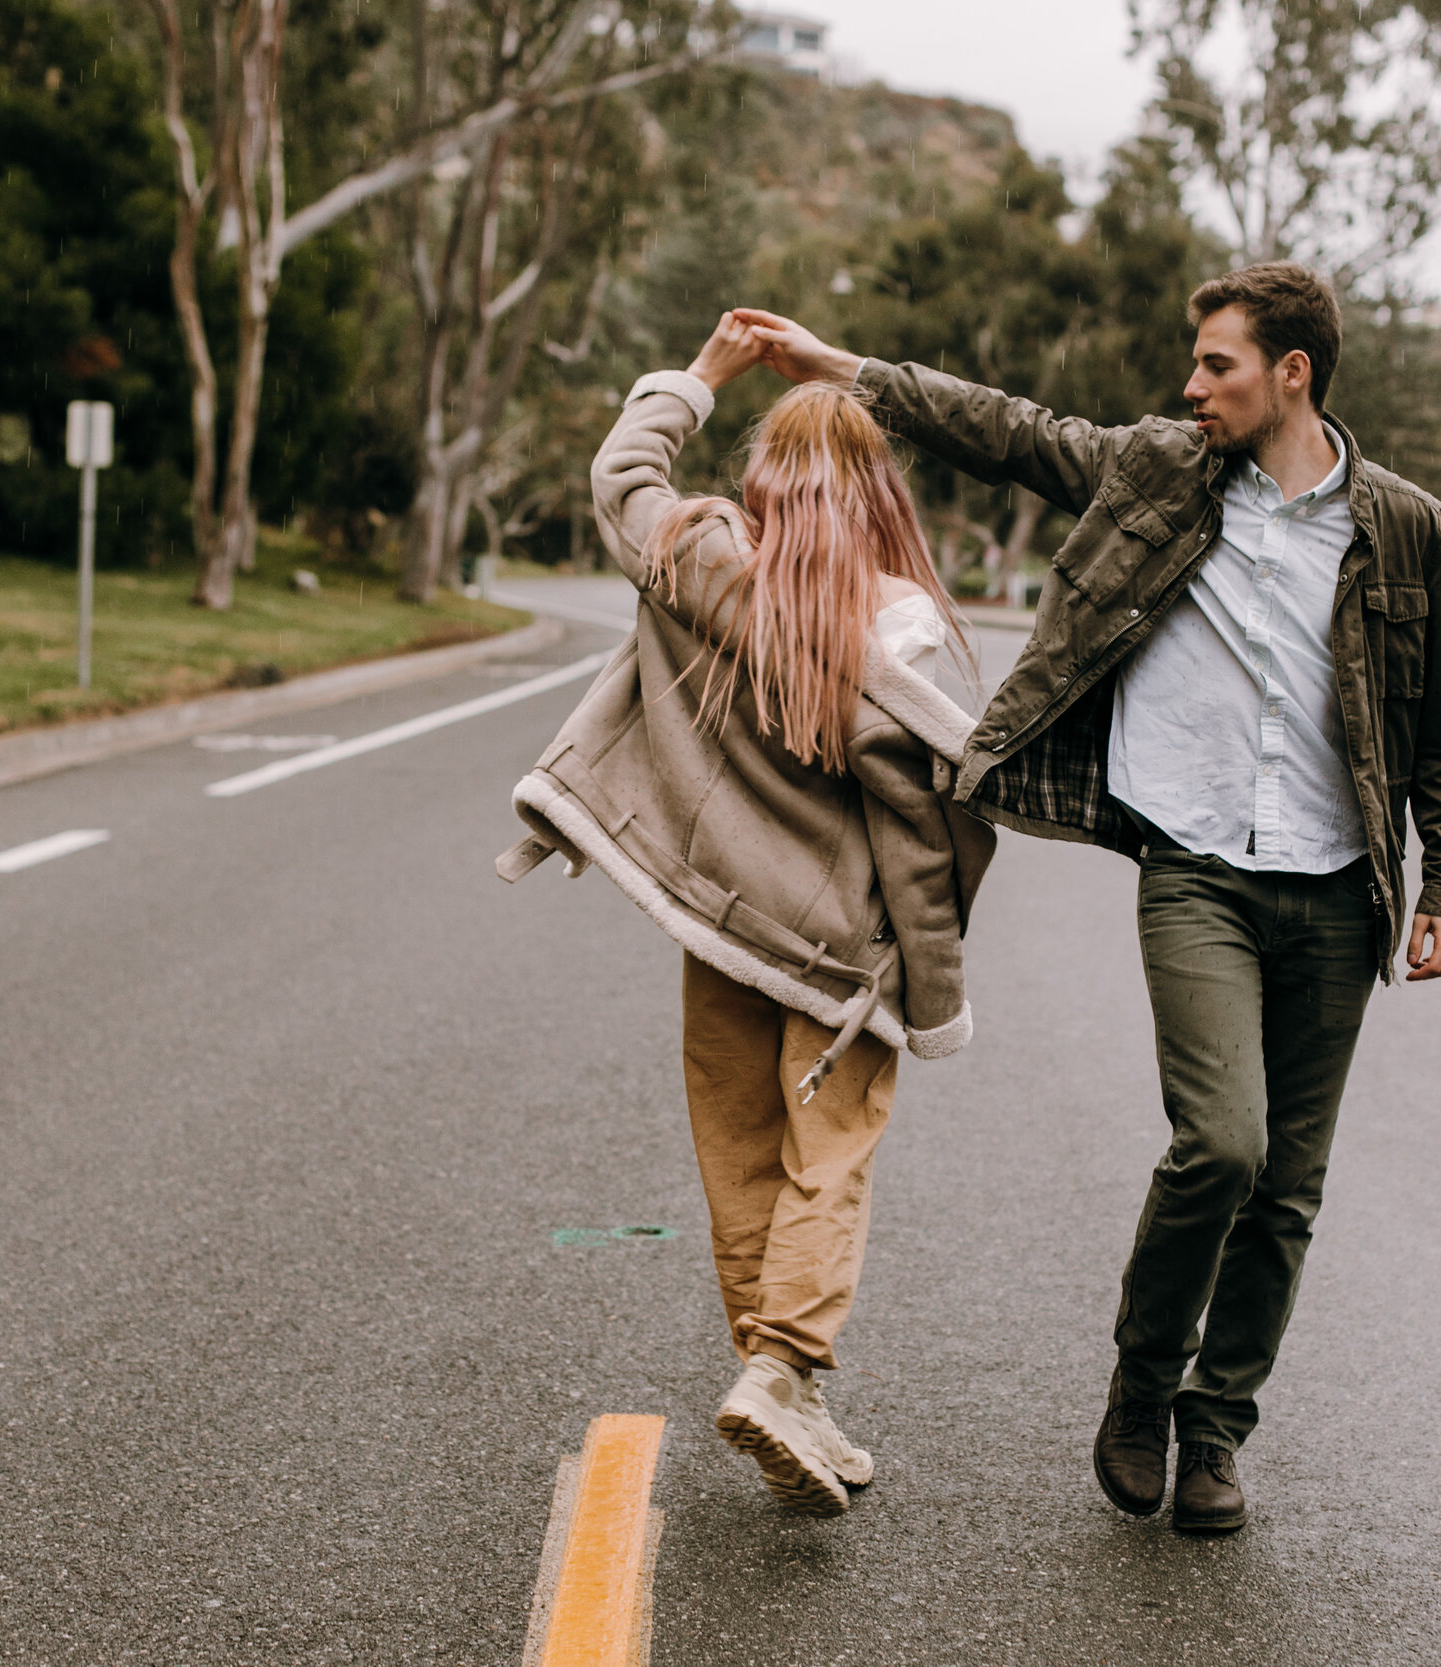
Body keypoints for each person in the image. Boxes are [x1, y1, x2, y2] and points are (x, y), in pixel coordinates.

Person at [730, 262, 1441, 1534]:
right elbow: (1011, 428)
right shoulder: (1163, 470)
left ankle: (1215, 1428)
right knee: (1225, 1145)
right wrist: (843, 369)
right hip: (1195, 864)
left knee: (1288, 1188)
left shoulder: (1403, 527)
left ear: (1290, 375)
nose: (1191, 386)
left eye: (1218, 367)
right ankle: (1142, 1387)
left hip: (1336, 887)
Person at [495, 312, 997, 1517]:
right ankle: (785, 1371)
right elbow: (917, 849)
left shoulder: (702, 563)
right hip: (835, 961)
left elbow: (624, 478)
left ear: (767, 487)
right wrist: (933, 993)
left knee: (738, 1159)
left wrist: (703, 377)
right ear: (879, 498)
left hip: (720, 923)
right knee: (828, 1161)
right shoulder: (902, 638)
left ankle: (779, 1381)